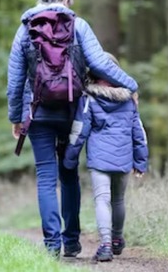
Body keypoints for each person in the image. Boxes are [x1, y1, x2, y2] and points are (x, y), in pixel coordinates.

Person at [7, 0, 138, 257]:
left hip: (38, 112)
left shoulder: (24, 29)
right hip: (72, 111)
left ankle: (52, 246)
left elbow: (15, 80)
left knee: (45, 177)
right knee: (69, 175)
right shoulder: (79, 26)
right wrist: (131, 85)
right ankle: (72, 241)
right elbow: (101, 63)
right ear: (66, 0)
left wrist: (16, 117)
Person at [63, 54, 149, 262]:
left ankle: (106, 244)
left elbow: (79, 130)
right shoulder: (129, 100)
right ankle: (118, 238)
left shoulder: (89, 98)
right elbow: (139, 132)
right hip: (123, 158)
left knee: (102, 200)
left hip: (100, 160)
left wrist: (70, 158)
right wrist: (141, 161)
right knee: (118, 200)